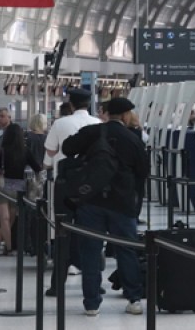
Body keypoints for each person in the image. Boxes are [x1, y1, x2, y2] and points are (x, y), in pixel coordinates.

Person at [61, 97, 149, 316]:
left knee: (90, 250)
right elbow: (143, 171)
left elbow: (67, 148)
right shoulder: (132, 138)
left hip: (91, 200)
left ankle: (91, 303)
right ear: (127, 115)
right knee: (126, 250)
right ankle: (134, 299)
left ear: (107, 113)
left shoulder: (92, 133)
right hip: (122, 202)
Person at [44, 88, 101, 295]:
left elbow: (49, 153)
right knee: (92, 234)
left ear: (71, 103)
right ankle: (95, 284)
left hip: (65, 184)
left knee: (62, 232)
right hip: (92, 185)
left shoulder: (60, 123)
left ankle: (57, 284)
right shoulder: (97, 124)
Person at [0, 121, 33, 256]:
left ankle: (4, 245)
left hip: (2, 186)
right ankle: (2, 245)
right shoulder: (25, 151)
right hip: (18, 187)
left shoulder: (1, 151)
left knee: (4, 218)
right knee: (12, 218)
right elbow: (38, 167)